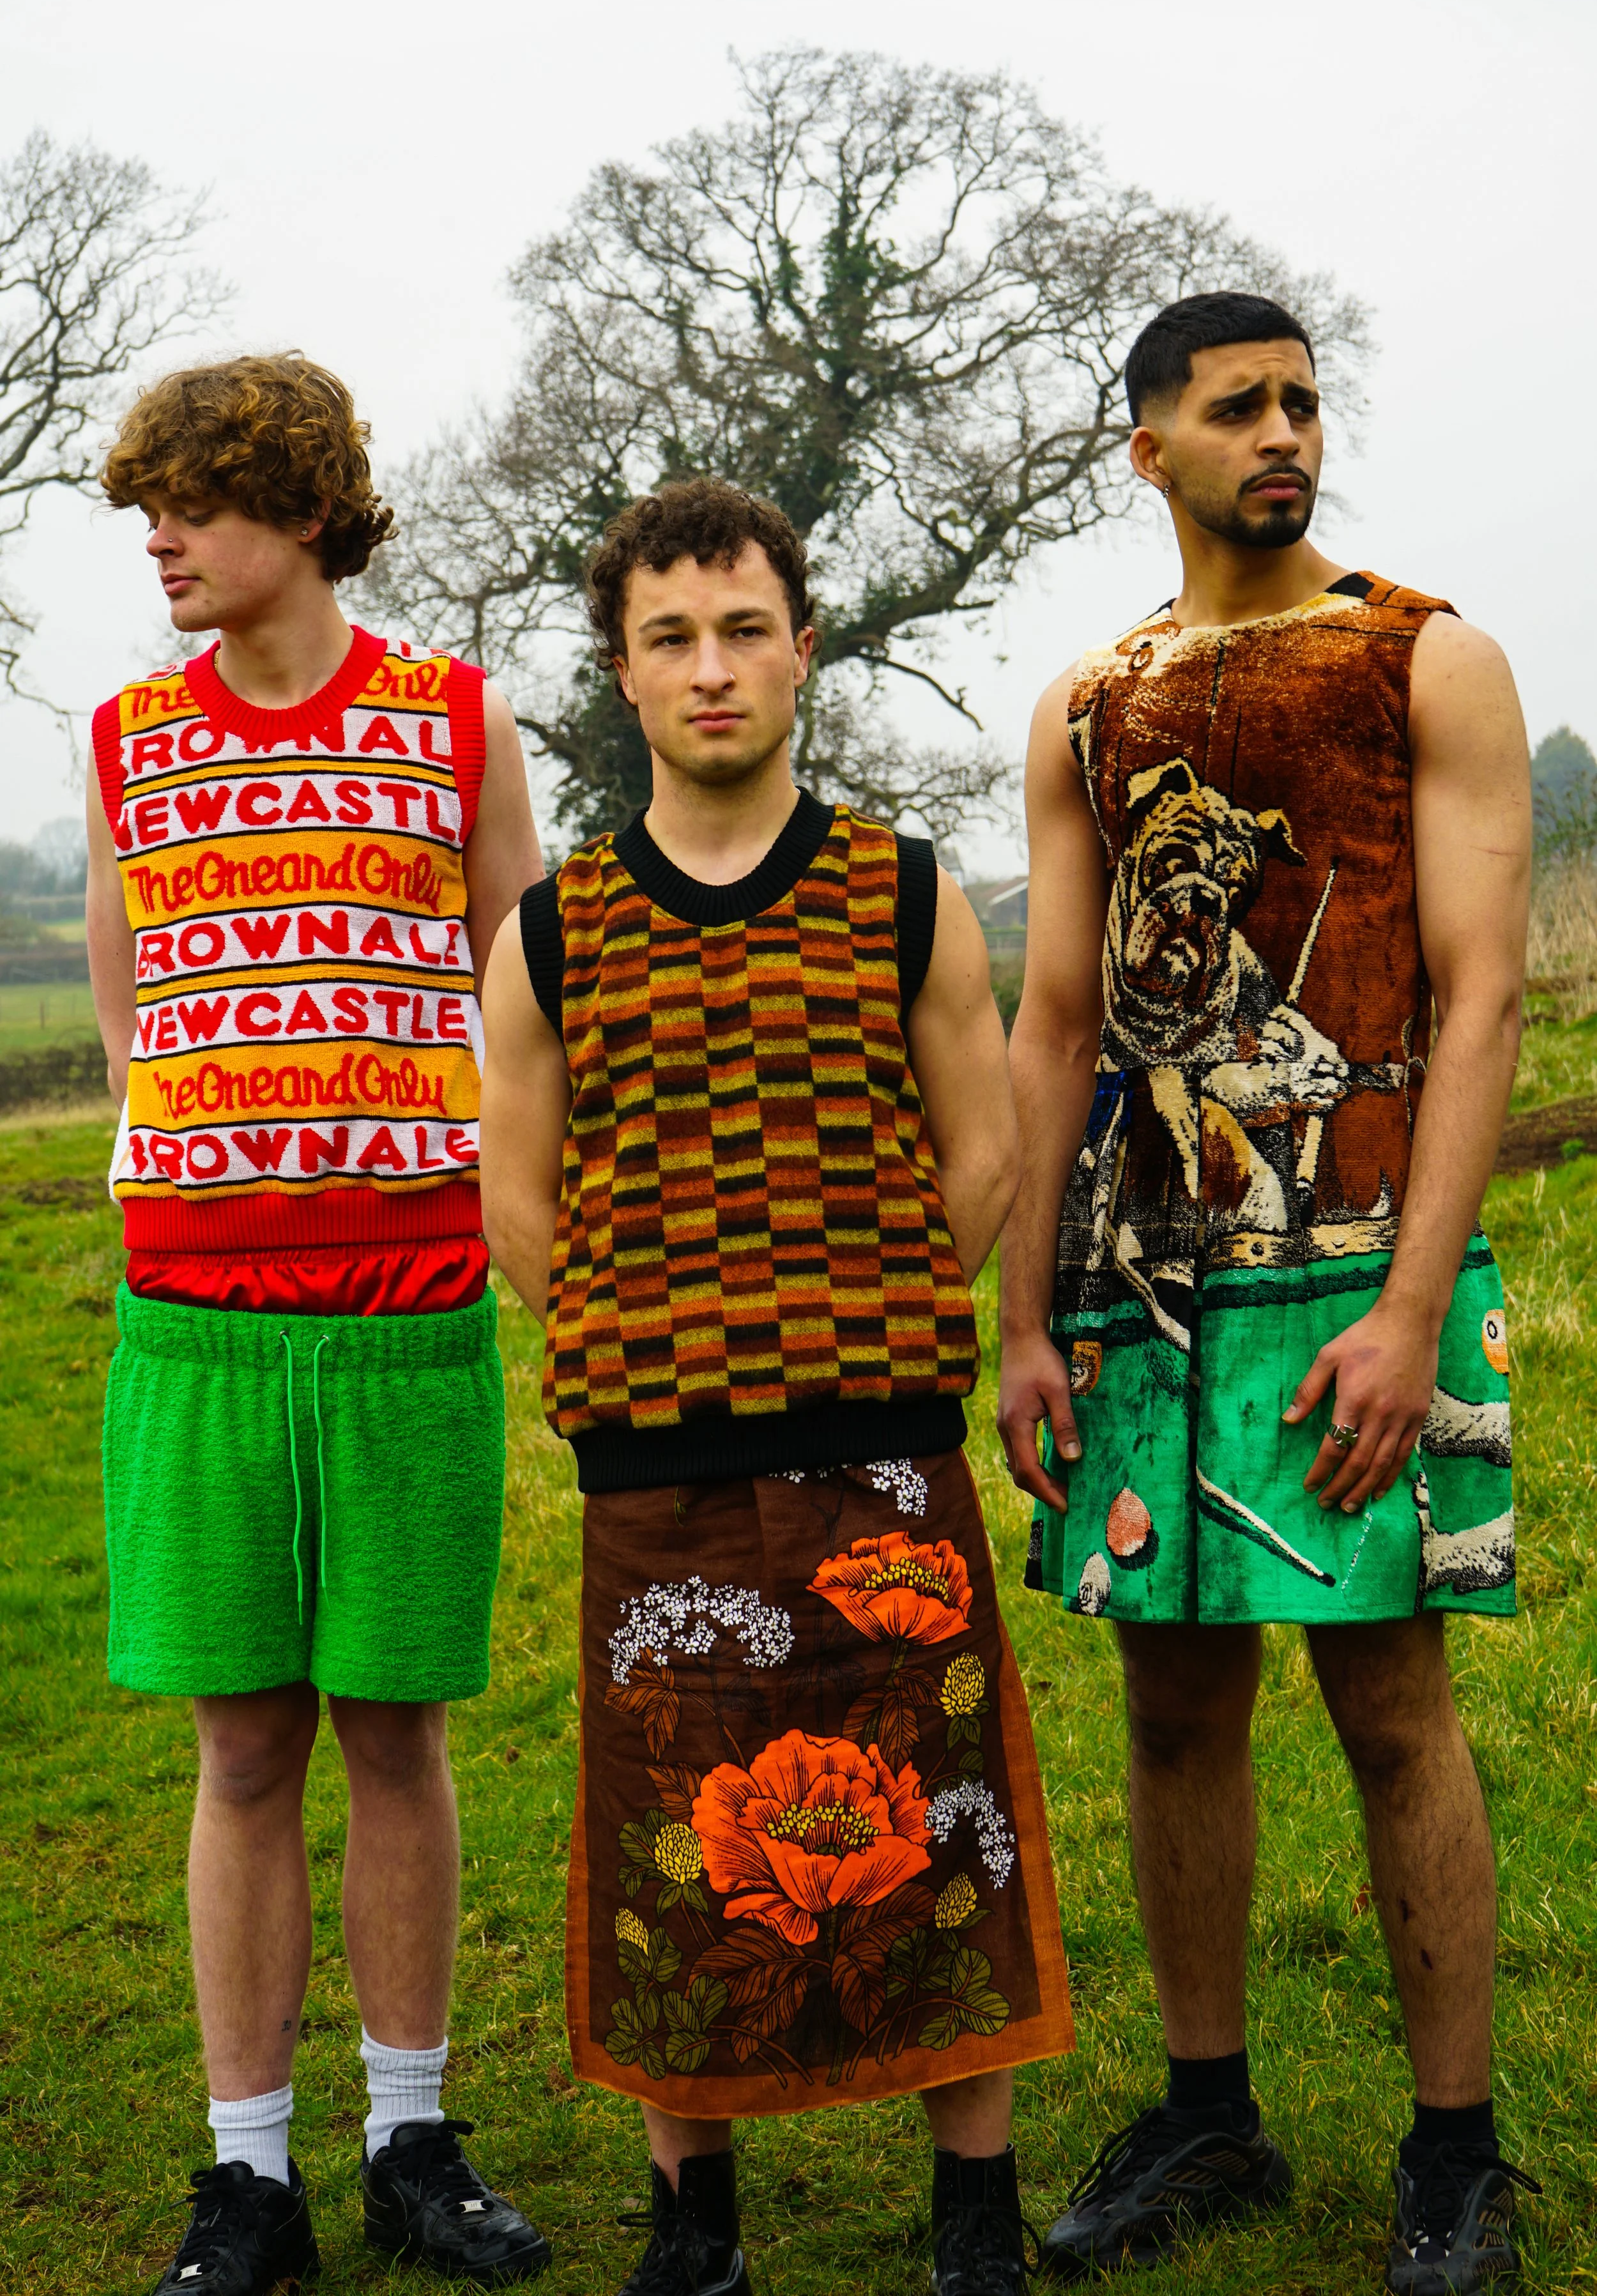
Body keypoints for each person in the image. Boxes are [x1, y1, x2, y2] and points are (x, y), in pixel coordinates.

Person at [479, 477, 1074, 2296]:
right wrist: (659, 1344)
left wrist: (857, 1315)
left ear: (802, 648)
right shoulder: (554, 932)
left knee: (929, 1815)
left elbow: (980, 1156)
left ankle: (967, 2210)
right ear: (622, 673)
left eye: (745, 629)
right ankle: (695, 2220)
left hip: (876, 1456)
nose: (712, 669)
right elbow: (523, 1204)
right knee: (682, 1839)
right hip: (655, 1462)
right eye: (672, 638)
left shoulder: (902, 892)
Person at [997, 291, 1536, 2294]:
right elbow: (1055, 1019)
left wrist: (1409, 1312)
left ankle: (1455, 2156)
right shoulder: (1088, 701)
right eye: (1236, 409)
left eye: (1302, 402)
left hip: (1357, 1269)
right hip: (1140, 1280)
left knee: (1393, 1701)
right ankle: (1207, 2111)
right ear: (1146, 448)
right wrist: (1024, 1314)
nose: (1282, 432)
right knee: (1169, 1703)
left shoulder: (1425, 653)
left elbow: (1479, 992)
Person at [86, 354, 552, 2292]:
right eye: (146, 516)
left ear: (298, 511)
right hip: (198, 1326)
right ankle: (249, 2175)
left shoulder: (456, 722)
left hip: (412, 1309)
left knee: (394, 1736)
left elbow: (525, 1010)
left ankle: (410, 2140)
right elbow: (126, 1010)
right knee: (242, 1749)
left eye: (188, 505)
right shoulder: (124, 736)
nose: (162, 544)